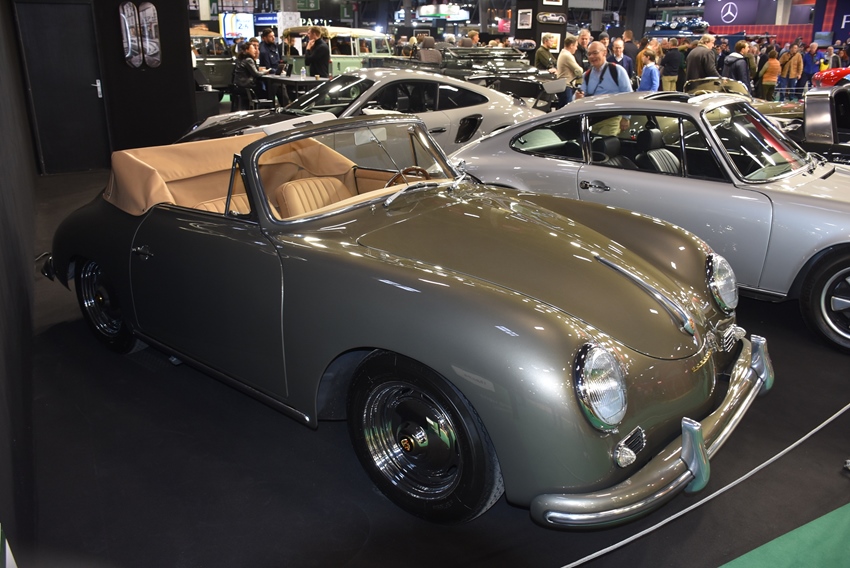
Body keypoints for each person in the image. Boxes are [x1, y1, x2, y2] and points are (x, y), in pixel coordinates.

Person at [232, 39, 269, 110]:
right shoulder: (249, 60)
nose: (255, 50)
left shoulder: (240, 59)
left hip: (239, 85)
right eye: (253, 49)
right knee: (265, 93)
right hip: (247, 86)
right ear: (247, 50)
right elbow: (256, 74)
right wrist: (265, 71)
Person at [258, 28, 287, 105]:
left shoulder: (274, 46)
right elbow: (268, 68)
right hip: (270, 79)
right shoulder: (263, 50)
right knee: (271, 101)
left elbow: (278, 61)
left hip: (279, 77)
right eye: (270, 36)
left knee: (285, 99)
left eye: (273, 36)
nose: (273, 38)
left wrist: (282, 68)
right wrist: (278, 71)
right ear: (264, 38)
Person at [557, 34, 583, 106]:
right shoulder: (567, 55)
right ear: (571, 45)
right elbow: (579, 71)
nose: (576, 48)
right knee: (567, 108)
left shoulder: (563, 53)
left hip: (563, 86)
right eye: (576, 46)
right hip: (566, 86)